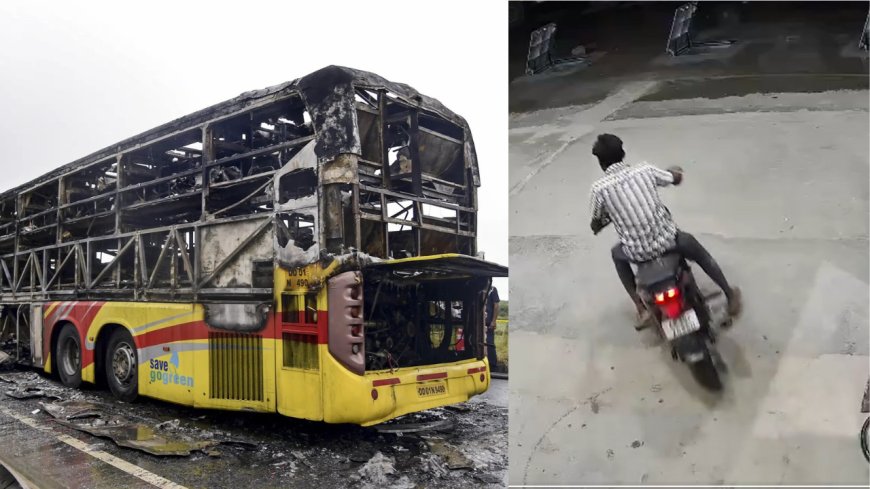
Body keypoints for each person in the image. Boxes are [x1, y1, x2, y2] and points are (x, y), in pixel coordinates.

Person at [587, 133, 741, 328]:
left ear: (601, 163)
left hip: (638, 253)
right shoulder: (644, 170)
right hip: (669, 241)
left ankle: (641, 308)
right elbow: (674, 178)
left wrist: (604, 220)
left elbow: (595, 223)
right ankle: (729, 294)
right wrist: (676, 173)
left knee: (616, 255)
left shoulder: (598, 189)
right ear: (623, 153)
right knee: (700, 254)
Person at [484, 286, 500, 368]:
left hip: (488, 322)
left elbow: (496, 305)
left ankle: (493, 365)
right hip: (479, 322)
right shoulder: (478, 287)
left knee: (489, 343)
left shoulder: (492, 289)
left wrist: (493, 321)